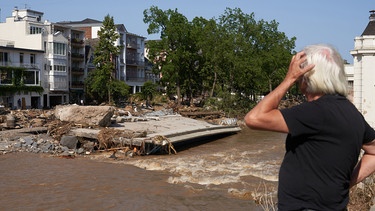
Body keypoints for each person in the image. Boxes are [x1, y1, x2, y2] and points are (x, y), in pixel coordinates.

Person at [244, 44, 375, 210]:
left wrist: (288, 79)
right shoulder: (352, 113)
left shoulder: (315, 112)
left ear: (307, 77)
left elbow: (254, 118)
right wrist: (347, 182)